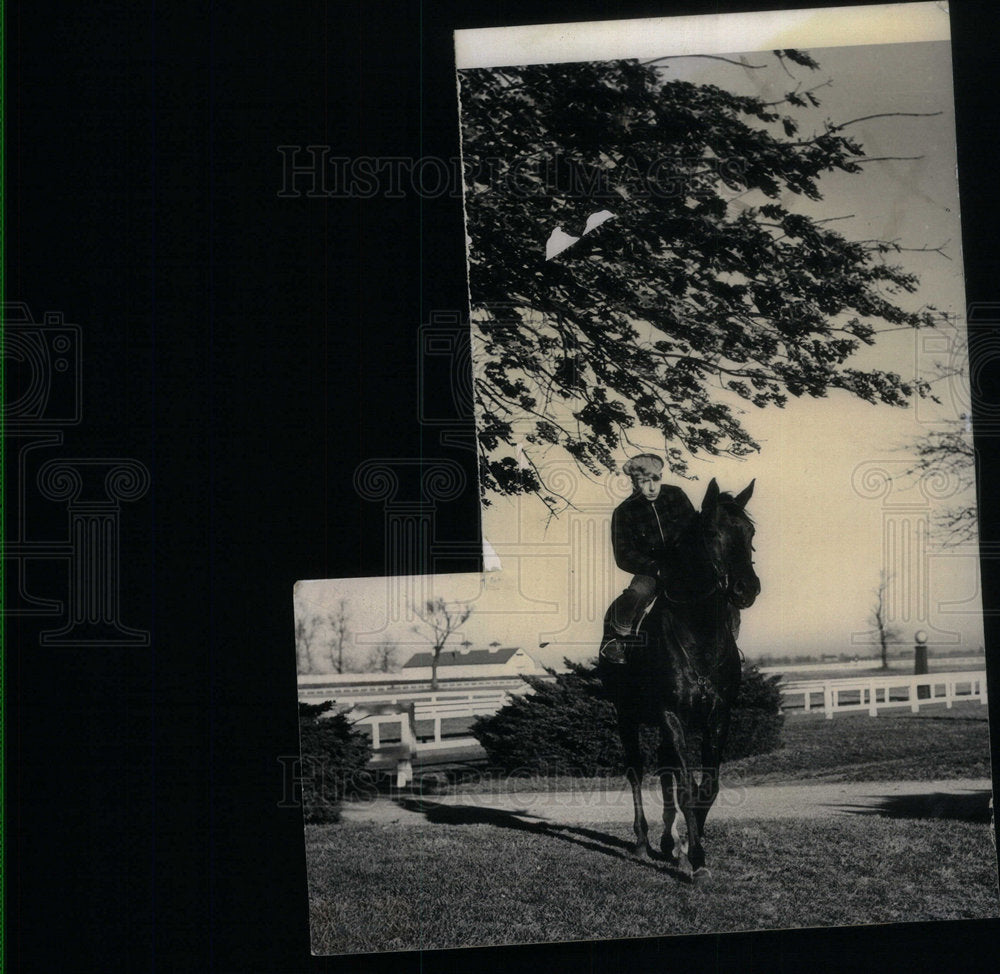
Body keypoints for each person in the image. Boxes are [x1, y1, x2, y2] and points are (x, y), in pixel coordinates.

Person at [600, 453, 695, 664]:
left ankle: (730, 637)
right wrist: (655, 568)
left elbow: (695, 530)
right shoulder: (624, 512)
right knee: (638, 592)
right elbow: (623, 555)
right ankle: (616, 637)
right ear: (634, 482)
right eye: (644, 482)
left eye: (656, 479)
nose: (652, 487)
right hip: (652, 572)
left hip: (686, 566)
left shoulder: (676, 496)